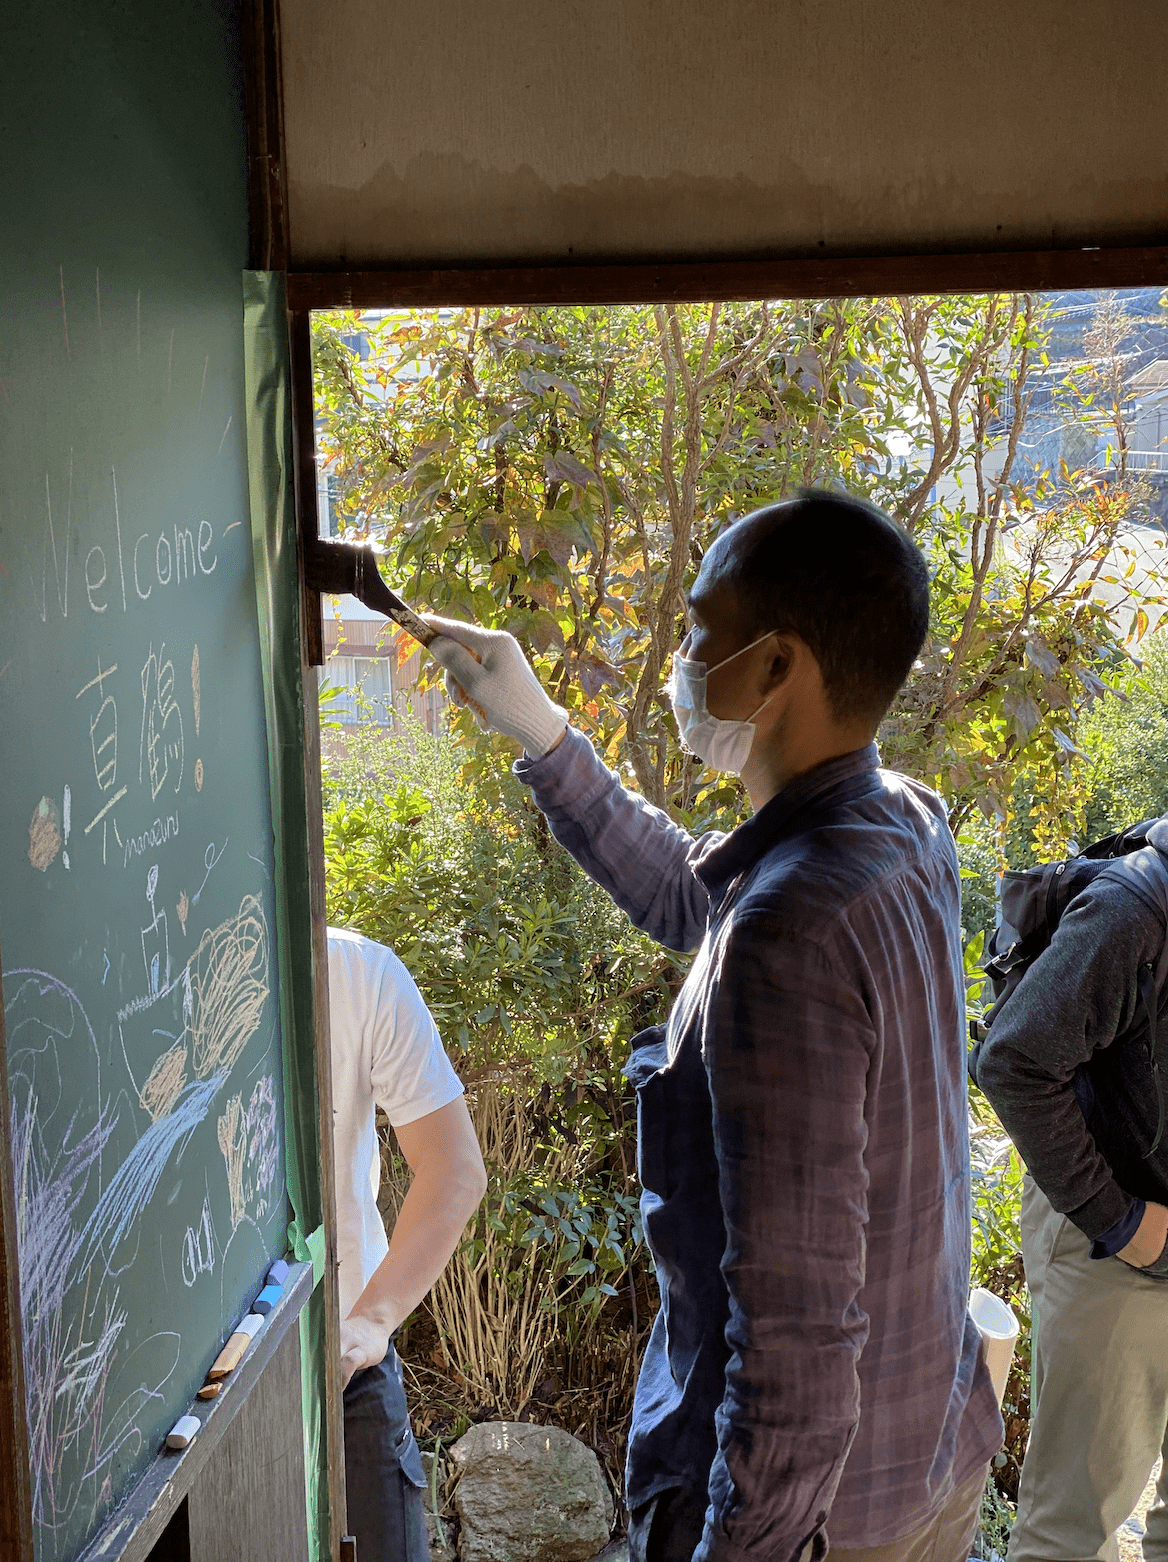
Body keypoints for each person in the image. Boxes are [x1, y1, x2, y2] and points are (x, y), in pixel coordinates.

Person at [426, 489, 1003, 1562]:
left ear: (778, 666)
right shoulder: (904, 824)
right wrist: (545, 733)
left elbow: (792, 1347)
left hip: (818, 1524)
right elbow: (707, 897)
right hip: (927, 1457)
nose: (682, 656)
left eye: (700, 627)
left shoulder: (794, 928)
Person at [974, 843, 1168, 1560]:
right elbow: (1014, 1063)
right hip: (1114, 1236)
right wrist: (1125, 1224)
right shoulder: (1134, 910)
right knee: (1071, 1529)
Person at [328, 926, 487, 1562]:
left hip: (347, 1369)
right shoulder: (140, 975)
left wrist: (373, 1318)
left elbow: (454, 1168)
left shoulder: (358, 971)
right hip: (187, 1406)